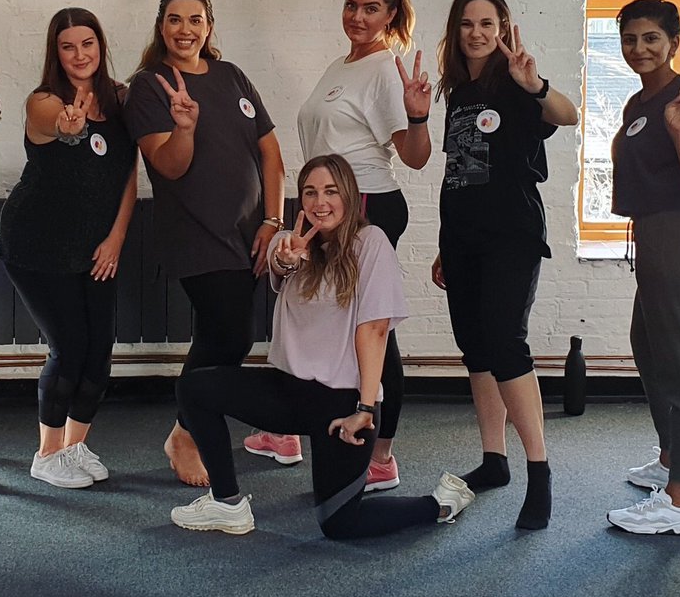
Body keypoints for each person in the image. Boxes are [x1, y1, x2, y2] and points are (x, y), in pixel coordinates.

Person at [171, 155, 474, 537]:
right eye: (310, 192)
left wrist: (365, 409)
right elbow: (282, 263)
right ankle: (227, 503)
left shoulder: (371, 243)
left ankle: (440, 504)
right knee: (194, 388)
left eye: (331, 191)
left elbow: (375, 331)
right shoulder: (291, 243)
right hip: (289, 392)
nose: (320, 202)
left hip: (343, 403)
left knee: (339, 523)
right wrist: (287, 260)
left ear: (349, 195)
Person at [248, 0, 431, 489]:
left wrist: (417, 116)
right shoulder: (343, 64)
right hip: (324, 205)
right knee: (308, 309)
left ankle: (381, 455)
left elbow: (414, 156)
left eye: (371, 8)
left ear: (391, 14)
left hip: (366, 202)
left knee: (372, 327)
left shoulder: (384, 68)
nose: (357, 16)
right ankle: (289, 427)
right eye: (351, 5)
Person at [123, 0, 285, 487]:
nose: (185, 29)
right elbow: (168, 166)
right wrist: (185, 128)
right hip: (196, 234)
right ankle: (185, 433)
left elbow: (271, 154)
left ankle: (189, 427)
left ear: (209, 26)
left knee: (226, 338)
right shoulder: (149, 86)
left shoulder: (232, 76)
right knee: (230, 335)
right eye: (175, 19)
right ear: (161, 26)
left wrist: (273, 221)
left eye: (195, 19)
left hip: (250, 233)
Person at [431, 0, 578, 531]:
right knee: (475, 348)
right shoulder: (458, 92)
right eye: (467, 24)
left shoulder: (515, 82)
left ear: (502, 29)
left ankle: (539, 472)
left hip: (511, 235)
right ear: (456, 31)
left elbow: (569, 114)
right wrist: (445, 244)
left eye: (486, 24)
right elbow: (459, 174)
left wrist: (534, 84)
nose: (476, 33)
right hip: (462, 240)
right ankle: (494, 459)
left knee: (506, 343)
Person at [0, 8, 138, 488]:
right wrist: (71, 128)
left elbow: (128, 175)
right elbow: (58, 126)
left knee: (99, 350)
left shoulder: (121, 99)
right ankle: (47, 454)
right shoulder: (44, 101)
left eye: (87, 44)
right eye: (68, 46)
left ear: (100, 46)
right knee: (70, 347)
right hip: (37, 243)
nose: (80, 55)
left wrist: (116, 238)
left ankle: (74, 448)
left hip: (97, 247)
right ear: (55, 53)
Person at [606, 0, 680, 536]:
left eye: (651, 38)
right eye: (630, 39)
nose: (639, 49)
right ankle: (672, 460)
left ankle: (679, 503)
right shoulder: (637, 102)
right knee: (648, 346)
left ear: (674, 42)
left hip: (679, 233)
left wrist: (677, 130)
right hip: (653, 235)